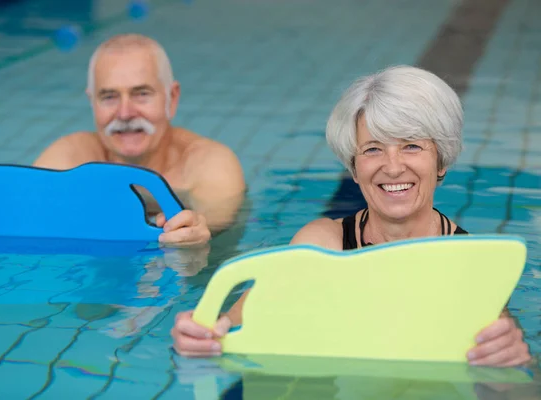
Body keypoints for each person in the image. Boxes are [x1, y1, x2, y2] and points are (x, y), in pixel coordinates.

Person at [170, 65, 533, 367]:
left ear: (440, 161)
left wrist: (513, 360)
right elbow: (229, 329)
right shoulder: (321, 247)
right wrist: (196, 338)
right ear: (354, 168)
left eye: (411, 146)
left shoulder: (470, 263)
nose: (392, 168)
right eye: (373, 149)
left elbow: (511, 382)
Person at [33, 34, 246, 247]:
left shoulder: (208, 164)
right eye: (109, 97)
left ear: (172, 98)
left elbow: (215, 221)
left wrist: (197, 231)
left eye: (141, 94)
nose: (125, 113)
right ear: (92, 103)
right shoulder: (69, 159)